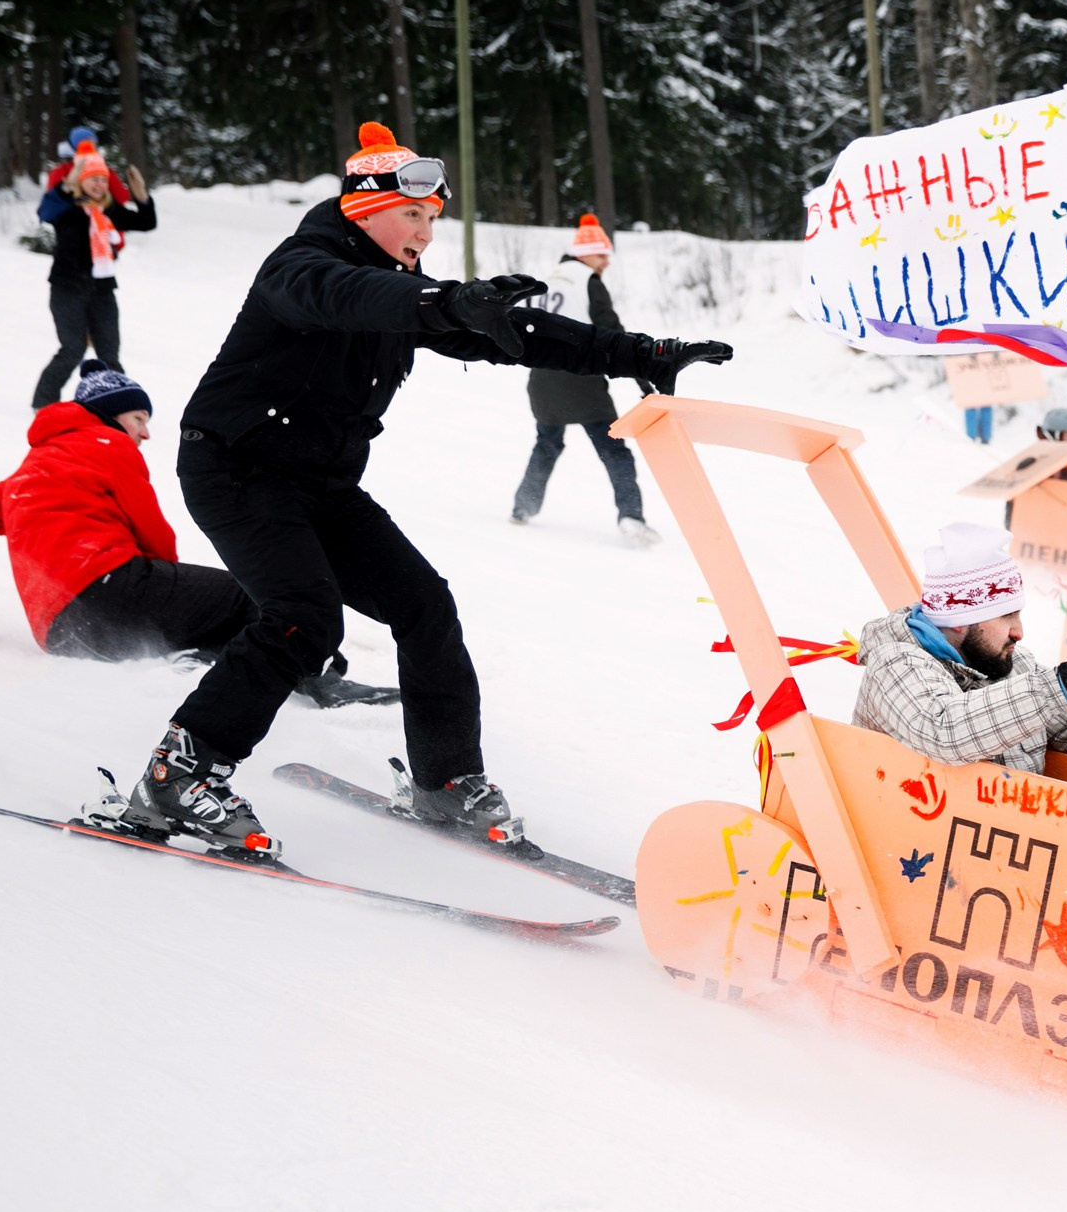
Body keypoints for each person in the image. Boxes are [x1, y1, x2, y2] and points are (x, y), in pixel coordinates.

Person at [113, 120, 732, 858]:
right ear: (363, 209)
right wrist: (444, 304)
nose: (426, 233)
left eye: (434, 219)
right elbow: (350, 296)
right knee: (303, 615)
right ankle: (178, 773)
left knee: (424, 605)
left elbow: (518, 335)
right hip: (237, 469)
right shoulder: (302, 265)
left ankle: (446, 780)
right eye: (414, 215)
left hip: (322, 484)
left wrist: (633, 350)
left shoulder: (406, 292)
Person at [0, 361, 392, 707]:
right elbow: (152, 529)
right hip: (112, 591)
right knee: (260, 596)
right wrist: (169, 577)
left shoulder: (21, 478)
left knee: (207, 613)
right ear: (111, 415)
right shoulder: (107, 445)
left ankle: (212, 662)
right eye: (139, 419)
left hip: (64, 633)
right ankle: (319, 681)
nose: (144, 434)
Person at [853, 522, 1067, 811]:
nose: (1019, 631)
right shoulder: (894, 665)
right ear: (958, 621)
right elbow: (948, 731)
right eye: (1006, 616)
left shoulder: (1008, 666)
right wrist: (1066, 682)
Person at [510, 213, 658, 544]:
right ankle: (631, 517)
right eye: (601, 254)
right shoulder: (589, 283)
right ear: (586, 253)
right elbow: (616, 337)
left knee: (547, 443)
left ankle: (523, 507)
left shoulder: (547, 279)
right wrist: (645, 383)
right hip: (579, 379)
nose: (605, 261)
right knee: (614, 450)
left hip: (542, 379)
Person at [32, 140, 157, 409]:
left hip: (101, 291)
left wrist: (141, 196)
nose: (99, 184)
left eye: (104, 179)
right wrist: (68, 184)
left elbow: (147, 223)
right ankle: (43, 404)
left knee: (109, 354)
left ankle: (120, 407)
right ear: (81, 180)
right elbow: (45, 212)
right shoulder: (65, 208)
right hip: (67, 289)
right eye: (93, 179)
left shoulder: (109, 211)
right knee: (73, 349)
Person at [37, 124, 130, 222]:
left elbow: (122, 197)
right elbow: (53, 204)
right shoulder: (61, 172)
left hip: (106, 230)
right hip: (76, 229)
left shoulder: (103, 170)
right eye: (87, 143)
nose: (91, 147)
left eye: (93, 144)